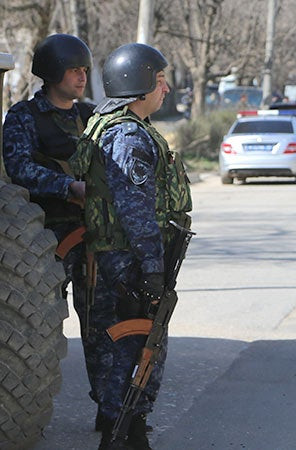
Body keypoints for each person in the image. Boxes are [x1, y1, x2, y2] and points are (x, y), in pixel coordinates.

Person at [69, 42, 192, 449]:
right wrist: (154, 269)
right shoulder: (127, 136)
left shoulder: (113, 125)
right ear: (138, 85)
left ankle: (123, 424)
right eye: (159, 81)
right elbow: (135, 210)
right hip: (128, 259)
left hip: (118, 256)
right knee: (137, 344)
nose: (166, 89)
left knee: (123, 345)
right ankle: (128, 429)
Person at [1, 33, 112, 431]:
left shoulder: (89, 115)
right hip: (39, 241)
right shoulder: (23, 118)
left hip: (90, 237)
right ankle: (26, 409)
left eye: (84, 70)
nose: (81, 77)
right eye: (73, 70)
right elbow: (19, 170)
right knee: (38, 328)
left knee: (101, 324)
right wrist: (69, 187)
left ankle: (110, 409)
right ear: (51, 74)